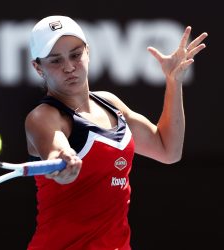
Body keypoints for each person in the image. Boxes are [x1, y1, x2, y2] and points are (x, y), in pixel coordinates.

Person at [24, 15, 208, 250]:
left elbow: (168, 150)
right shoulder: (43, 117)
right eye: (55, 60)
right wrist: (63, 161)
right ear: (38, 67)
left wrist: (174, 82)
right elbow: (56, 149)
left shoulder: (111, 104)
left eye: (75, 54)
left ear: (88, 52)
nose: (69, 67)